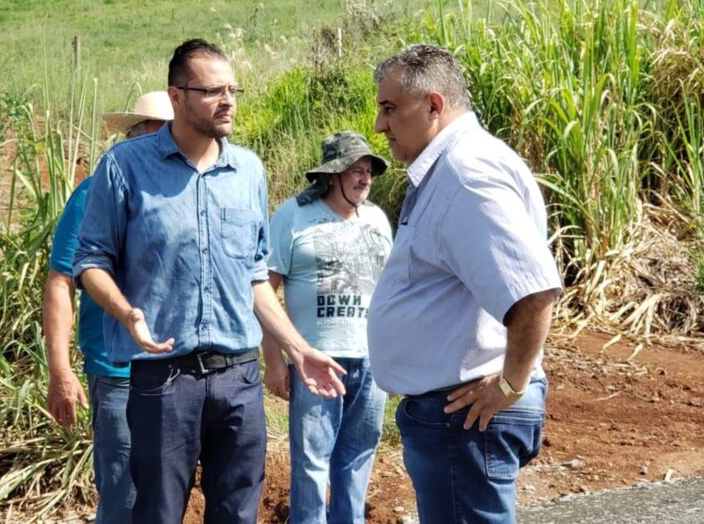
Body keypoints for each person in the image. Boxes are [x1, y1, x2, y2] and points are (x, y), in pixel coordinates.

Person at [73, 38, 346, 524]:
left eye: (233, 90)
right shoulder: (125, 168)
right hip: (163, 378)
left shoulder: (248, 171)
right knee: (156, 512)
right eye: (212, 91)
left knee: (238, 513)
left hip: (238, 377)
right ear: (176, 96)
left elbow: (255, 277)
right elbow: (90, 262)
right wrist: (127, 313)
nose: (228, 101)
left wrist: (298, 349)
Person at [367, 44, 562, 523]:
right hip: (457, 414)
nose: (379, 125)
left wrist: (511, 383)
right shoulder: (451, 169)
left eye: (390, 109)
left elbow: (533, 291)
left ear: (434, 105)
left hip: (464, 415)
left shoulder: (465, 174)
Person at [43, 90, 173, 523]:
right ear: (132, 137)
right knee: (122, 495)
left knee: (167, 493)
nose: (164, 144)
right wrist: (60, 371)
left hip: (177, 369)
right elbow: (61, 281)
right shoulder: (93, 193)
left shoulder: (180, 191)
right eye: (154, 134)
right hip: (117, 369)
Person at [262, 131, 392, 524]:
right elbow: (265, 293)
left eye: (368, 171)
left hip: (372, 362)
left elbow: (392, 291)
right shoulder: (292, 216)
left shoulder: (377, 219)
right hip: (315, 361)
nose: (365, 178)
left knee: (358, 459)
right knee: (311, 462)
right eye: (355, 170)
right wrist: (273, 361)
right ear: (332, 176)